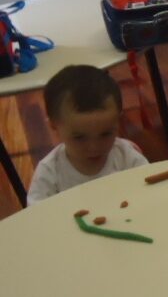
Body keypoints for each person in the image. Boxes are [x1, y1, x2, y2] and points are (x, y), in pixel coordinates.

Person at [27, 65, 148, 204]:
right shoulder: (49, 172)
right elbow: (37, 213)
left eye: (106, 134)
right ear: (54, 125)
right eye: (79, 138)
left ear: (118, 121)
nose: (94, 147)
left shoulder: (126, 156)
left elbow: (150, 190)